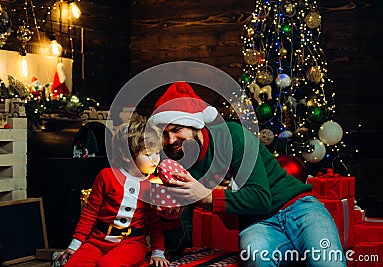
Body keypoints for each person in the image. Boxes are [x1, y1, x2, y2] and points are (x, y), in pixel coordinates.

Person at [149, 81, 346, 266]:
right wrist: (171, 221)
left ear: (195, 125)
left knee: (326, 261)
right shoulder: (177, 165)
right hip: (257, 224)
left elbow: (261, 198)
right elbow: (183, 244)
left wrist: (206, 196)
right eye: (165, 134)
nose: (171, 140)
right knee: (256, 255)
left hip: (299, 208)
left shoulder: (232, 135)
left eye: (177, 130)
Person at [56, 115, 169, 267]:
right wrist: (74, 246)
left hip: (131, 244)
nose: (155, 159)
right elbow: (90, 213)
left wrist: (158, 253)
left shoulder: (153, 185)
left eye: (157, 153)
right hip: (97, 241)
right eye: (148, 154)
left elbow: (156, 223)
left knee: (107, 265)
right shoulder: (107, 176)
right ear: (126, 155)